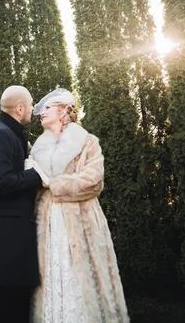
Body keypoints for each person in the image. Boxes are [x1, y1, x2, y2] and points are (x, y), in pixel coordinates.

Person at [27, 88, 130, 323]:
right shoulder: (38, 148)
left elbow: (93, 181)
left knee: (80, 278)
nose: (41, 112)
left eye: (48, 108)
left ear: (63, 110)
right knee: (51, 277)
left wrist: (53, 184)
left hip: (81, 224)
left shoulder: (87, 142)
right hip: (47, 228)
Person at [0, 85, 43, 323]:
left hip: (10, 250)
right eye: (31, 104)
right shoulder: (0, 135)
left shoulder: (6, 132)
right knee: (7, 312)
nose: (34, 109)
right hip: (5, 251)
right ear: (20, 108)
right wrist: (37, 175)